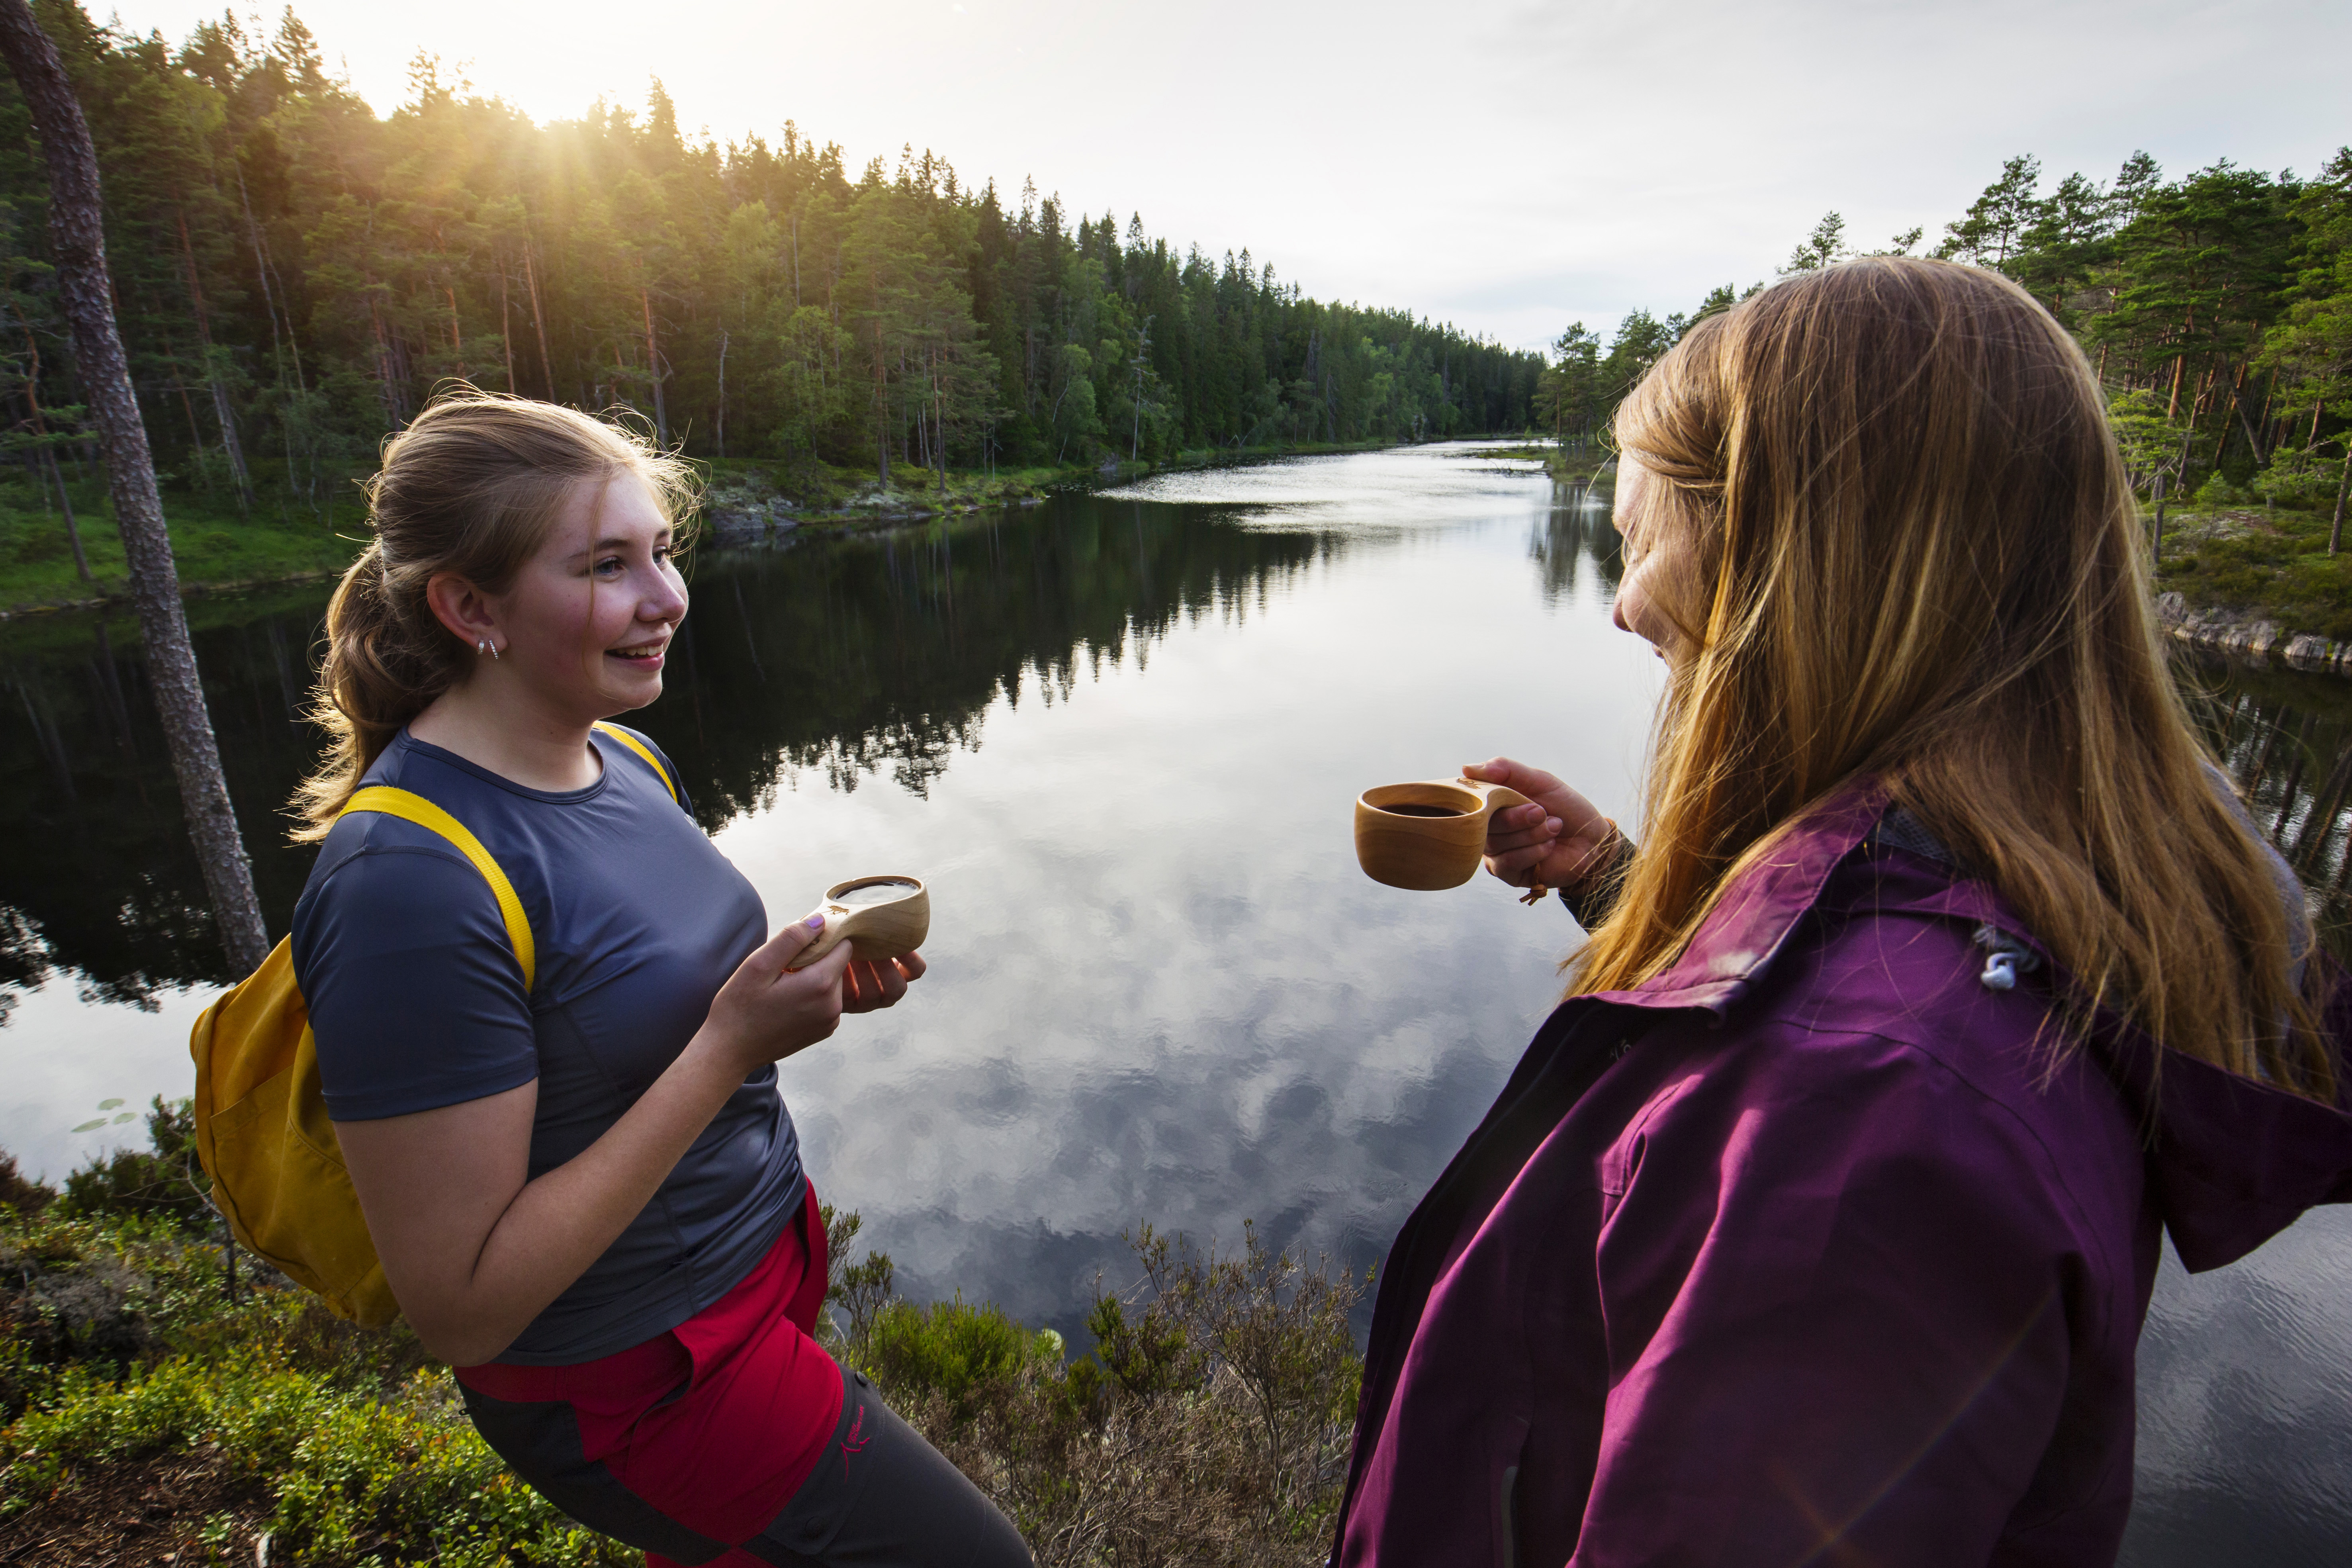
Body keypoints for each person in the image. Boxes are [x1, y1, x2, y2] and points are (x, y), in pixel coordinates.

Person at [1329, 258, 2352, 1566]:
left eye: (1640, 550)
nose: (1622, 601)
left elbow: (1855, 1042)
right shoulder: (2035, 920)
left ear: (1793, 577)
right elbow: (1874, 939)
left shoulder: (1861, 1121)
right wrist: (1625, 882)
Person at [287, 393, 1033, 1568]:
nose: (667, 599)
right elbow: (463, 1305)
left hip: (746, 1275)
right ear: (468, 606)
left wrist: (797, 998)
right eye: (605, 566)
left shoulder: (622, 750)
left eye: (663, 553)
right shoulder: (407, 884)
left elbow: (624, 1010)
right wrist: (728, 1046)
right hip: (632, 1369)